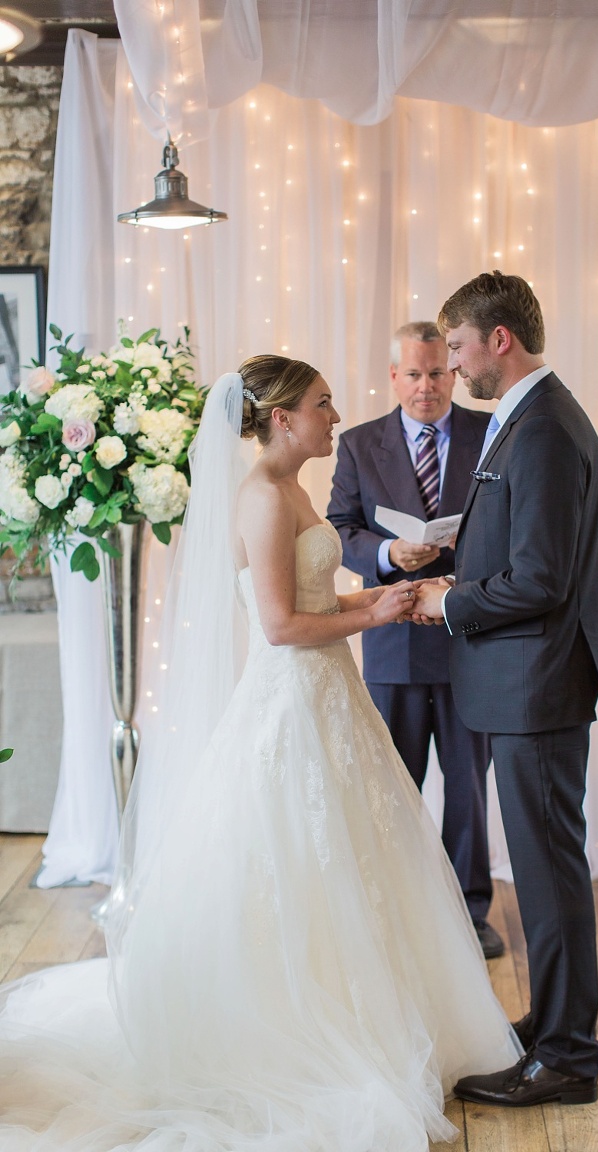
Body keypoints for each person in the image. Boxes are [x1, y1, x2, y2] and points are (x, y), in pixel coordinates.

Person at [0, 356, 520, 1151]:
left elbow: (309, 601)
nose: (335, 415)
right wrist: (371, 619)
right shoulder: (262, 497)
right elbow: (279, 628)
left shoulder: (293, 489)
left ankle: (384, 1016)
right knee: (298, 863)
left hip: (328, 694)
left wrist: (375, 598)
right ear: (281, 419)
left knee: (357, 862)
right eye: (321, 404)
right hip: (293, 700)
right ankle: (304, 1028)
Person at [411, 272, 598, 1108]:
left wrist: (449, 602)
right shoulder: (533, 418)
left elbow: (539, 578)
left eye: (457, 347)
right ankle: (555, 1023)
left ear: (500, 339)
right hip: (527, 684)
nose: (452, 366)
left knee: (548, 872)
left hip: (535, 687)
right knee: (543, 869)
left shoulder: (540, 429)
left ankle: (567, 1056)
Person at [327, 321, 502, 960]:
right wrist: (386, 554)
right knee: (392, 789)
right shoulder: (358, 443)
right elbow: (340, 529)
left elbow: (510, 523)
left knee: (468, 789)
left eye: (436, 372)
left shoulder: (491, 434)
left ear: (453, 373)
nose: (426, 387)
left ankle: (469, 915)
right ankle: (395, 910)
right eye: (413, 374)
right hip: (393, 641)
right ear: (393, 376)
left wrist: (468, 560)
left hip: (469, 641)